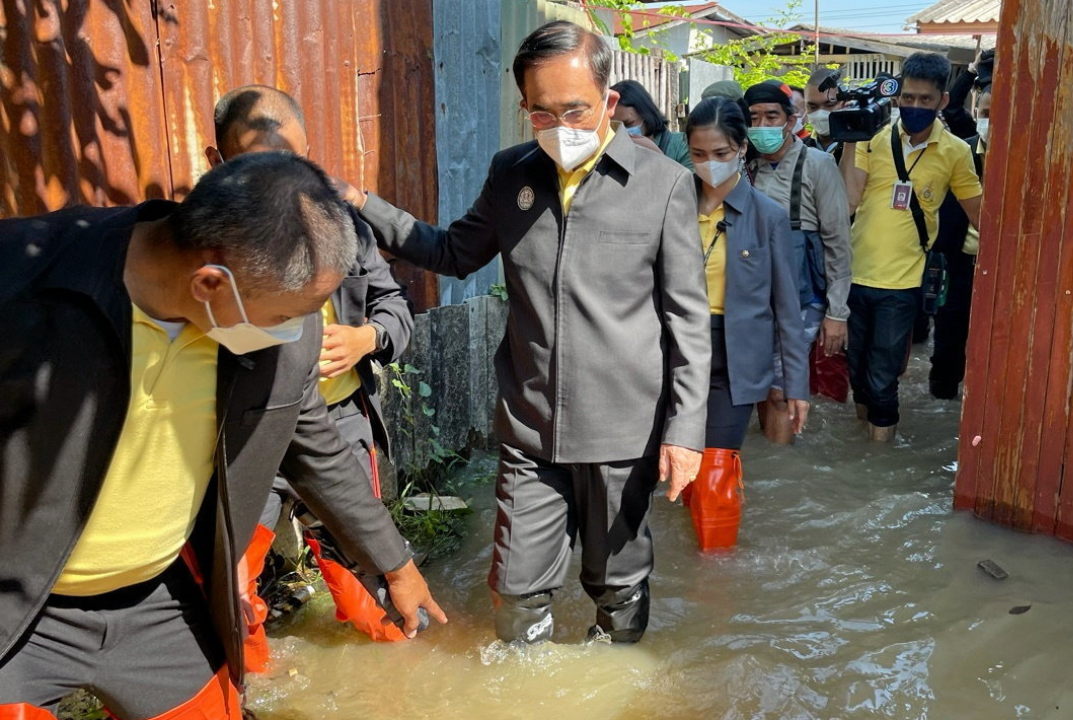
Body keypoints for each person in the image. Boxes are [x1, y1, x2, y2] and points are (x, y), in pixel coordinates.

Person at [0, 153, 446, 720]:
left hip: (158, 601)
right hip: (18, 609)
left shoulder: (276, 325)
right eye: (291, 316)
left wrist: (397, 565)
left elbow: (314, 445)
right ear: (211, 282)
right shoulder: (23, 278)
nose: (303, 332)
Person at [335, 21, 709, 645]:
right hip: (530, 426)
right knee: (514, 591)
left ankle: (616, 682)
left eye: (576, 110)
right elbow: (454, 251)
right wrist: (362, 201)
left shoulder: (663, 184)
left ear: (609, 101)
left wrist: (686, 432)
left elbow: (688, 319)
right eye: (542, 113)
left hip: (623, 431)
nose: (561, 125)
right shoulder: (513, 174)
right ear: (523, 109)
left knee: (617, 584)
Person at [205, 85, 416, 662]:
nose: (278, 179)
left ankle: (393, 675)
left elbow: (396, 306)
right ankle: (247, 686)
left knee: (370, 581)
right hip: (249, 435)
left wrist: (367, 338)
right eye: (255, 162)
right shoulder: (199, 241)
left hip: (341, 422)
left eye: (293, 161)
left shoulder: (347, 225)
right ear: (216, 163)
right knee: (233, 589)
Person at [680, 97, 810, 550]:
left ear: (741, 149)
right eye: (698, 154)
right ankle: (691, 546)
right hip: (672, 354)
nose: (709, 164)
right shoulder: (671, 209)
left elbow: (787, 309)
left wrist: (795, 386)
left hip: (734, 364)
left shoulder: (768, 216)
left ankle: (716, 578)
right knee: (681, 468)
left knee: (716, 473)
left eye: (719, 153)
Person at [839, 52, 984, 442]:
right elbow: (850, 200)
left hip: (903, 285)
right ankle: (863, 448)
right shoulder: (873, 137)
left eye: (924, 99)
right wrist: (851, 140)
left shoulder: (955, 151)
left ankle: (879, 456)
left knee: (884, 376)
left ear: (942, 102)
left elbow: (980, 215)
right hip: (855, 276)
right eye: (907, 98)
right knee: (856, 373)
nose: (914, 106)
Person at [743, 81, 852, 444]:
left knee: (779, 388)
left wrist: (837, 313)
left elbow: (837, 242)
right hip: (753, 295)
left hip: (802, 298)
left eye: (771, 117)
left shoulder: (818, 165)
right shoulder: (743, 166)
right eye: (754, 118)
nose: (762, 126)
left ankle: (780, 469)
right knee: (758, 386)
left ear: (791, 120)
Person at [930, 58, 993, 400]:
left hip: (1002, 271)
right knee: (948, 340)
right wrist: (969, 72)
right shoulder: (963, 151)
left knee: (993, 345)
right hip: (958, 265)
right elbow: (952, 104)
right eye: (984, 112)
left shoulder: (1026, 158)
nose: (989, 120)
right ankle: (941, 400)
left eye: (998, 112)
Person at [612, 79, 693, 170]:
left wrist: (656, 155)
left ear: (646, 114)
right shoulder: (614, 152)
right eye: (615, 127)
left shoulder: (682, 145)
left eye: (629, 124)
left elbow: (691, 182)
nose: (622, 132)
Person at [803, 68, 850, 161]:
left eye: (829, 105)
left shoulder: (862, 148)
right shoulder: (800, 150)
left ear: (845, 103)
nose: (820, 113)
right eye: (813, 106)